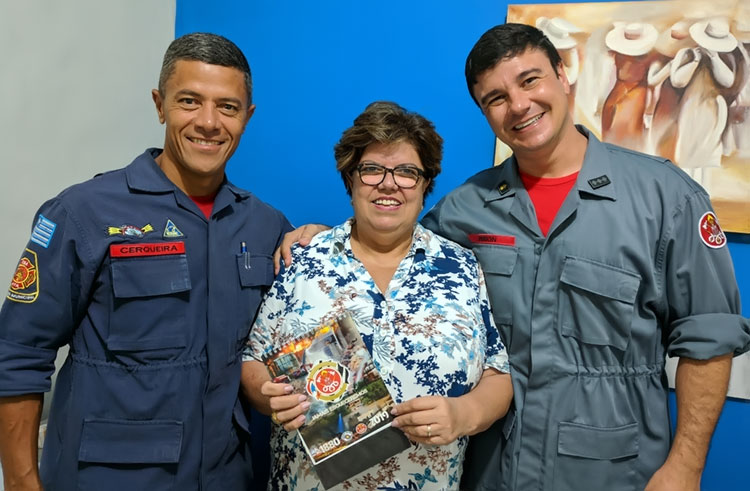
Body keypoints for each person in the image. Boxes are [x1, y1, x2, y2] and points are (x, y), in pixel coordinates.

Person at [279, 24, 750, 491]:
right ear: (485, 112)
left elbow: (708, 338)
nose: (519, 105)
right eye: (496, 98)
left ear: (563, 76)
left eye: (530, 80)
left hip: (613, 470)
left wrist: (686, 466)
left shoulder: (666, 198)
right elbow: (394, 244)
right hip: (492, 469)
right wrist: (329, 239)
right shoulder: (466, 209)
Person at [0, 32, 291, 490]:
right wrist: (20, 482)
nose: (209, 122)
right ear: (160, 105)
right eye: (190, 101)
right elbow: (18, 352)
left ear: (247, 117)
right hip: (105, 478)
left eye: (228, 107)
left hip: (225, 477)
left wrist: (315, 238)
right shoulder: (84, 213)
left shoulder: (265, 225)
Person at [242, 101, 512, 490]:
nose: (389, 184)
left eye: (406, 172)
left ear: (425, 185)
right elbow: (252, 361)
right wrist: (269, 397)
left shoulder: (460, 267)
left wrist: (465, 412)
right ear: (350, 179)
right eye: (372, 170)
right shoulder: (303, 260)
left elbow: (498, 373)